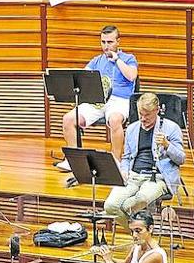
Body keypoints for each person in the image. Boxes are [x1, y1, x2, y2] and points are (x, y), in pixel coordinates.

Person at [56, 26, 138, 174]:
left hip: (119, 100)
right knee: (68, 118)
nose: (106, 46)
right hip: (98, 101)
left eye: (110, 42)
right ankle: (74, 161)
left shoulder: (129, 58)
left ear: (118, 42)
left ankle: (116, 162)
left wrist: (117, 60)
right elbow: (82, 77)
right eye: (103, 42)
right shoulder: (96, 61)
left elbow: (132, 76)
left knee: (114, 120)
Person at [104, 93, 185, 222]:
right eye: (140, 114)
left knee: (132, 204)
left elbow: (181, 159)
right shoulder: (132, 129)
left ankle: (141, 235)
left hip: (157, 178)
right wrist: (124, 171)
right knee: (110, 206)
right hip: (133, 176)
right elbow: (126, 157)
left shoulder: (171, 128)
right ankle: (141, 235)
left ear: (157, 111)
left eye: (147, 115)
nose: (143, 118)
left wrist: (167, 145)